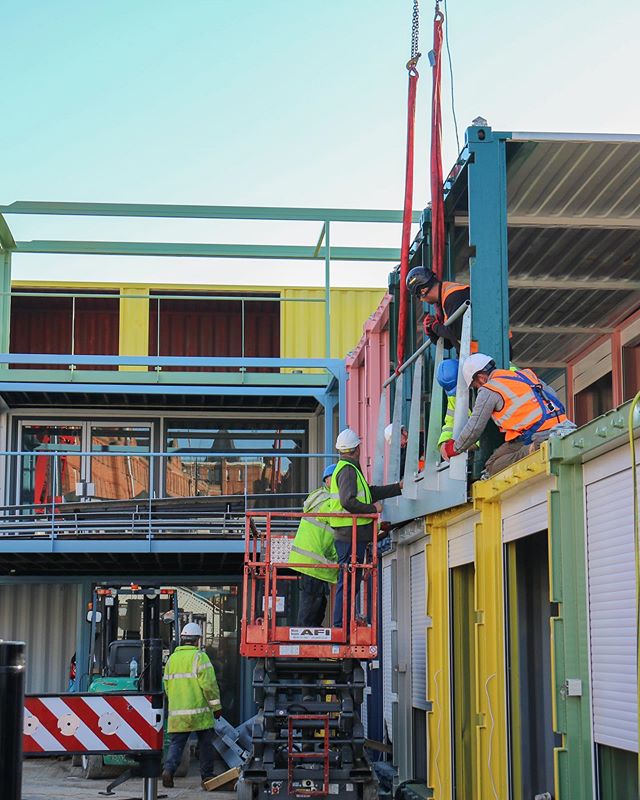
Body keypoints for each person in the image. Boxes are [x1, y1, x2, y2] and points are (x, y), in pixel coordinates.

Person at [440, 353, 576, 476]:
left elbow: (475, 427)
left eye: (475, 385)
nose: (477, 388)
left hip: (537, 435)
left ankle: (535, 448)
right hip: (556, 426)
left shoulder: (488, 389)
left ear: (481, 378)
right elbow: (552, 395)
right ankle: (539, 442)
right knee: (491, 463)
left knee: (494, 468)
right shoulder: (525, 374)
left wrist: (455, 448)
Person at [325, 428, 403, 628]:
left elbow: (369, 492)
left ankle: (343, 624)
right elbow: (348, 501)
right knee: (348, 581)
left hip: (351, 534)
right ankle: (341, 625)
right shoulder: (348, 470)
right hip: (350, 535)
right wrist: (373, 509)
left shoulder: (348, 468)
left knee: (350, 581)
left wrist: (397, 488)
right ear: (357, 448)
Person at [162, 622, 221, 790]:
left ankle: (168, 770)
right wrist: (216, 707)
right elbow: (209, 685)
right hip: (199, 712)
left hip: (178, 713)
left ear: (182, 639)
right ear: (198, 640)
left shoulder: (172, 659)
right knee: (205, 744)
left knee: (177, 744)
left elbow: (166, 685)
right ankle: (207, 776)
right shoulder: (200, 657)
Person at [288, 464, 339, 627]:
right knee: (312, 605)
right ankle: (305, 637)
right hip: (312, 561)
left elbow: (330, 536)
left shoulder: (322, 498)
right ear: (328, 481)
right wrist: (377, 527)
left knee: (318, 604)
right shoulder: (328, 501)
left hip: (312, 560)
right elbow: (345, 521)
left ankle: (309, 635)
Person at [406, 266, 469, 352]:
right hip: (470, 354)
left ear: (423, 291)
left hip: (478, 354)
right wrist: (431, 333)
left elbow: (457, 333)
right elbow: (449, 344)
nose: (421, 300)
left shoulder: (452, 297)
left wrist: (434, 326)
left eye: (418, 296)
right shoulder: (444, 296)